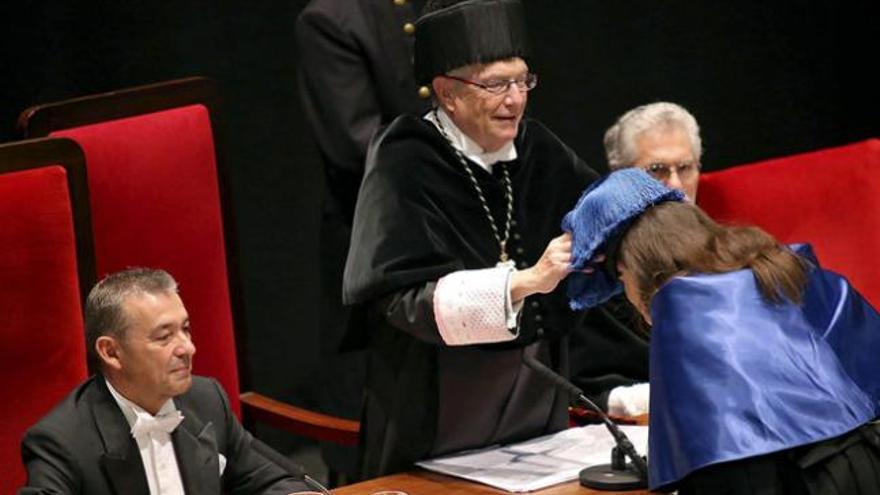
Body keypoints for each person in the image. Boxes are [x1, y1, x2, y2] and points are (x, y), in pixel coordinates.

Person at [342, 0, 599, 477]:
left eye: (523, 81)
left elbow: (602, 209)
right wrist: (522, 284)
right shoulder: (404, 159)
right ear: (447, 93)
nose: (516, 99)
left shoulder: (537, 147)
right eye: (496, 84)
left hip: (537, 393)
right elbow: (399, 299)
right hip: (440, 400)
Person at [564, 169, 880, 494]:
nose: (627, 292)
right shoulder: (772, 266)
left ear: (633, 267)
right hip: (864, 461)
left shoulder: (685, 311)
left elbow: (722, 456)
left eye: (622, 278)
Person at [19, 268, 312, 495]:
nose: (187, 348)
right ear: (111, 352)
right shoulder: (61, 441)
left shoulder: (206, 399)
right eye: (164, 337)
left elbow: (273, 478)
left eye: (185, 329)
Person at [295, 0, 431, 480]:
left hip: (453, 224)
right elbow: (359, 146)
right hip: (377, 241)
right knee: (376, 411)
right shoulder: (333, 19)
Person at [570, 101, 704, 417]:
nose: (675, 184)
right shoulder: (594, 268)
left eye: (685, 168)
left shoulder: (724, 250)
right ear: (620, 176)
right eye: (657, 170)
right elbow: (588, 387)